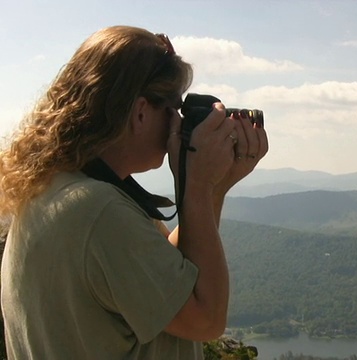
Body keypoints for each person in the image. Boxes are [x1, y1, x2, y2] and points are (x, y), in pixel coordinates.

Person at [0, 25, 268, 359]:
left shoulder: (55, 189)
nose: (177, 123)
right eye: (172, 108)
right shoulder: (97, 211)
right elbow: (205, 318)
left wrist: (214, 188)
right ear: (141, 112)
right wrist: (197, 186)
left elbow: (168, 275)